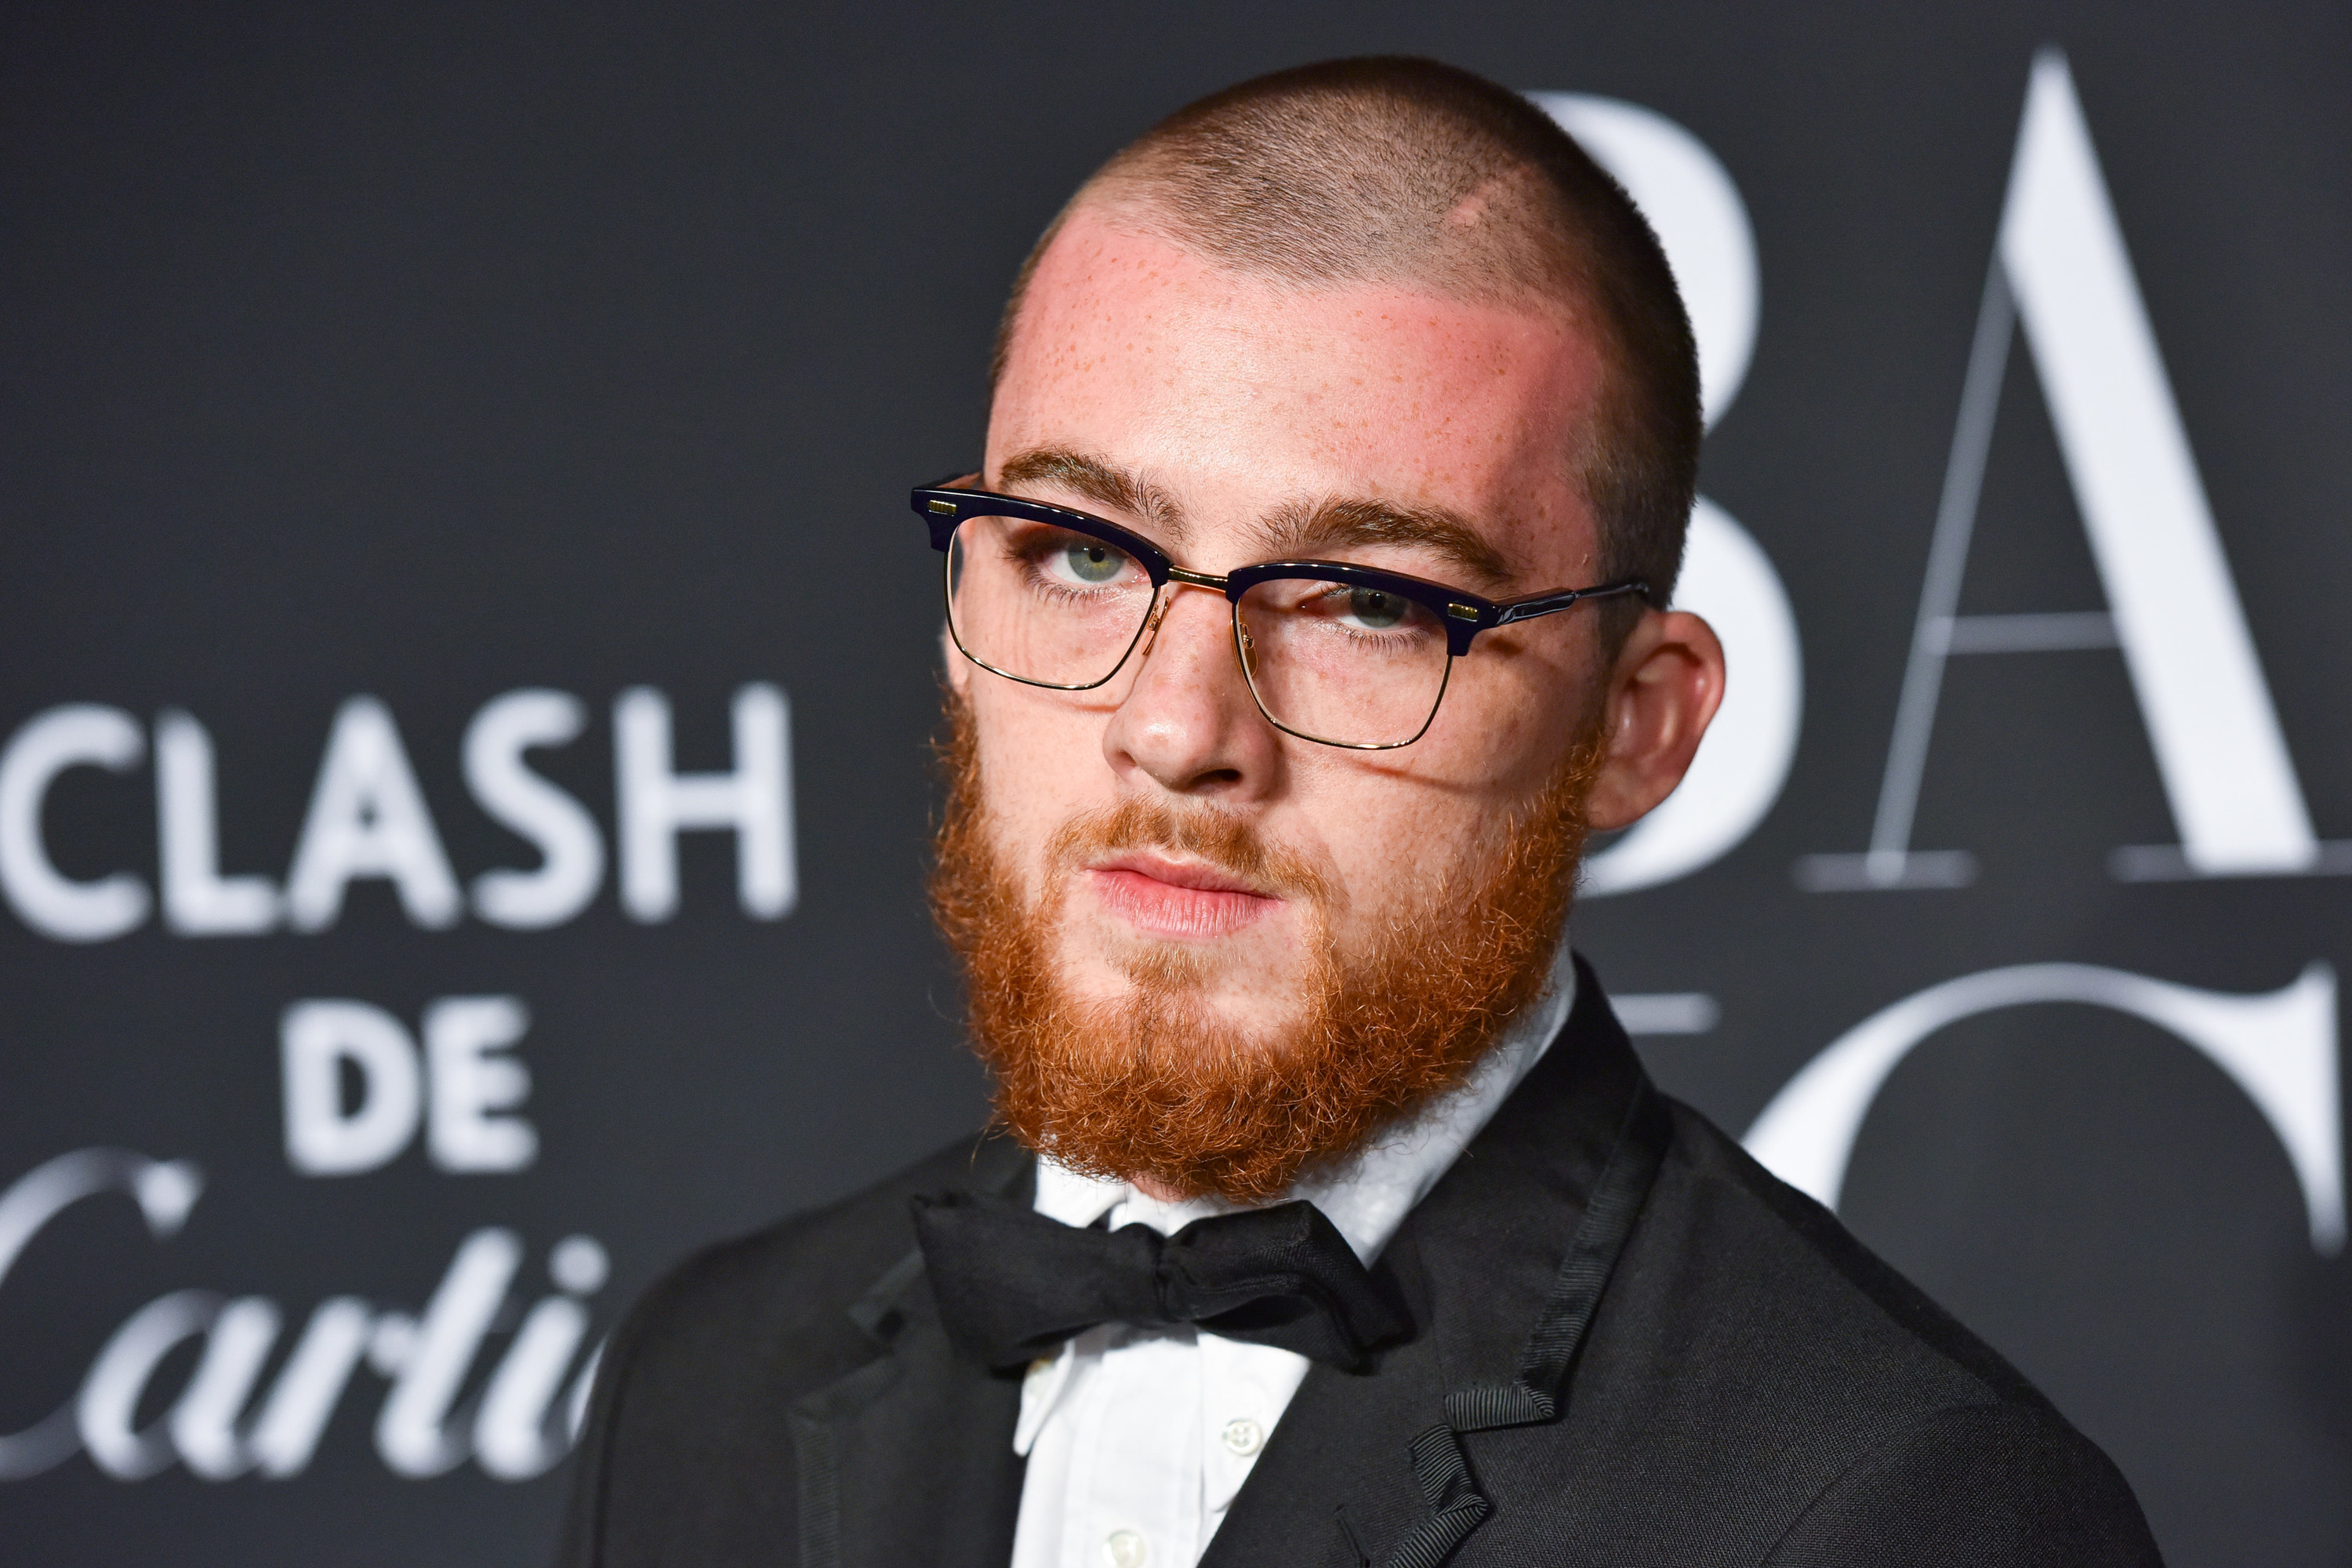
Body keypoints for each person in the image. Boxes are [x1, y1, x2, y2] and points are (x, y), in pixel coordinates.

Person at [556, 56, 2161, 1568]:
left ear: (1637, 726)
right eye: (1084, 553)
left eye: (1366, 604)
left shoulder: (1899, 1506)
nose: (1178, 730)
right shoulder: (706, 1388)